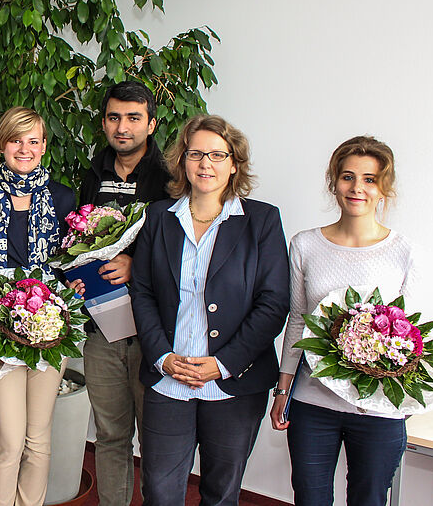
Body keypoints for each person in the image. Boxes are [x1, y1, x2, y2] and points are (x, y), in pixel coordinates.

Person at [131, 115, 289, 506]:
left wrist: (223, 363)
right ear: (182, 160)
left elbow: (274, 303)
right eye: (196, 153)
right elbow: (143, 291)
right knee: (159, 492)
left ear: (234, 163)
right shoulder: (157, 217)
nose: (206, 164)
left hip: (235, 382)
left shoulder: (262, 220)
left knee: (221, 493)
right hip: (169, 378)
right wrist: (163, 357)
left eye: (218, 154)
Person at [271, 136, 414, 506]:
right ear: (333, 181)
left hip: (378, 409)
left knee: (368, 500)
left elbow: (408, 334)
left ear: (384, 188)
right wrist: (283, 390)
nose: (357, 188)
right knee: (310, 498)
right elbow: (299, 322)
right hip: (313, 404)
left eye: (369, 179)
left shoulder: (404, 251)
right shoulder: (305, 244)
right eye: (348, 176)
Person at [0, 106, 76, 506]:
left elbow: (68, 265)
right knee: (8, 441)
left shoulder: (62, 197)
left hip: (50, 332)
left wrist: (60, 303)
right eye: (15, 139)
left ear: (44, 146)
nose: (24, 148)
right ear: (1, 144)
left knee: (38, 440)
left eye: (33, 140)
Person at [76, 80, 171, 506]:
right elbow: (74, 241)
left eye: (134, 118)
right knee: (111, 436)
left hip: (156, 334)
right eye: (114, 117)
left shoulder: (172, 180)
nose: (123, 127)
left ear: (150, 124)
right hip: (102, 329)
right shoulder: (91, 175)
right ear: (104, 123)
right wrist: (74, 276)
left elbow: (185, 253)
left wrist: (137, 264)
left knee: (158, 440)